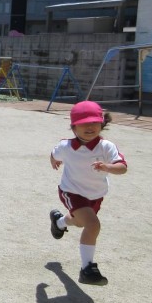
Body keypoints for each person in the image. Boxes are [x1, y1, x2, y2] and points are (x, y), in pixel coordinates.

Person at [49, 101, 128, 286]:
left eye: (94, 122)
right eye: (83, 123)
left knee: (80, 222)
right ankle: (87, 269)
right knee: (92, 224)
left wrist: (108, 167)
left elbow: (122, 167)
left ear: (102, 123)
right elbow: (54, 153)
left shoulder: (106, 146)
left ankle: (59, 222)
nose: (90, 127)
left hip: (96, 195)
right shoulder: (66, 146)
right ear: (74, 127)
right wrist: (53, 160)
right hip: (71, 192)